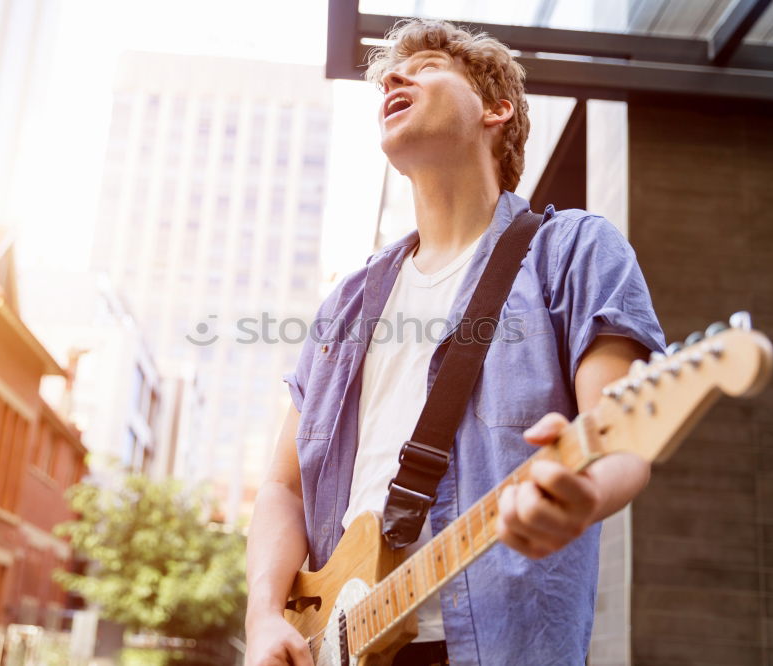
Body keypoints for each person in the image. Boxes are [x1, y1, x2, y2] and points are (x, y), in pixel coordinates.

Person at [245, 18, 665, 666]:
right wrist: (264, 614)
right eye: (390, 72)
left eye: (429, 65)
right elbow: (284, 488)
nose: (394, 76)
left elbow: (624, 434)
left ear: (496, 109)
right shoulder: (347, 303)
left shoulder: (575, 250)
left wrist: (586, 499)